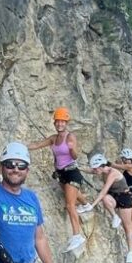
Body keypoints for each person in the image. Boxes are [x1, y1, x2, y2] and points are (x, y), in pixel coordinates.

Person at [27, 107, 89, 253]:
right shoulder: (53, 139)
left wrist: (72, 149)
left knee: (70, 204)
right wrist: (21, 146)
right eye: (58, 121)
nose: (60, 124)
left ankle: (77, 235)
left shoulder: (70, 137)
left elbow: (75, 156)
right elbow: (37, 145)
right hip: (61, 174)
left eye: (63, 121)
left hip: (72, 172)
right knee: (72, 196)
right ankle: (86, 204)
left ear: (66, 123)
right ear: (55, 123)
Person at [85, 153, 132, 263]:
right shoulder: (102, 170)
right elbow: (90, 170)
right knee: (106, 199)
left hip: (124, 197)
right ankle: (115, 216)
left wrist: (92, 205)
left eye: (95, 168)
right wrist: (76, 167)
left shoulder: (112, 173)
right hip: (114, 196)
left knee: (127, 226)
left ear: (100, 166)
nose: (94, 171)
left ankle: (130, 252)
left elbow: (104, 191)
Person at [111, 148, 132, 245]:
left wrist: (105, 162)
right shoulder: (129, 165)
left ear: (125, 158)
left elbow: (116, 166)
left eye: (123, 158)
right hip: (129, 192)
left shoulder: (131, 166)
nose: (122, 160)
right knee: (130, 215)